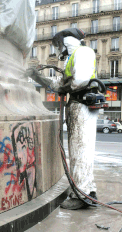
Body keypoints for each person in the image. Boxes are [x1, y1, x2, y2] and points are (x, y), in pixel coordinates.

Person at [27, 28, 98, 210]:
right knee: (81, 152)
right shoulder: (73, 59)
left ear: (67, 42)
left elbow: (80, 80)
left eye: (59, 45)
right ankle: (88, 191)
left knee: (79, 152)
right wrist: (39, 78)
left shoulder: (82, 52)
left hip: (81, 106)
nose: (59, 50)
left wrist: (68, 85)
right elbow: (58, 85)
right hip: (78, 106)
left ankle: (80, 195)